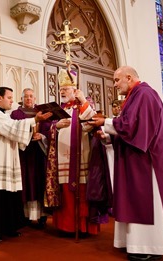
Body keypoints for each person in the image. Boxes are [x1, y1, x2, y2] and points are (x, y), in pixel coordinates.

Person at [89, 66, 163, 261]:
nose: (115, 85)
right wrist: (109, 136)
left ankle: (152, 245)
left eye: (117, 80)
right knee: (136, 200)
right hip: (139, 158)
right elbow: (129, 127)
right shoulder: (135, 96)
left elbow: (134, 127)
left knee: (148, 201)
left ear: (129, 77)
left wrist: (105, 122)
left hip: (148, 162)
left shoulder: (144, 94)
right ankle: (139, 244)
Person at [0, 86, 52, 243]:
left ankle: (7, 228)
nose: (12, 100)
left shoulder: (3, 115)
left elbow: (14, 131)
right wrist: (35, 120)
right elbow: (12, 128)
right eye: (9, 98)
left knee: (7, 198)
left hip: (6, 163)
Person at [45, 68, 99, 236]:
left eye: (66, 89)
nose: (62, 91)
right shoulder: (60, 109)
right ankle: (65, 227)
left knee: (80, 193)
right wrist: (55, 126)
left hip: (80, 155)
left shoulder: (84, 104)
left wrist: (83, 102)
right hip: (61, 158)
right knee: (65, 193)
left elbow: (92, 123)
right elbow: (50, 128)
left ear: (75, 89)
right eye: (61, 89)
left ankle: (82, 227)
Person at [10, 88, 50, 228]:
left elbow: (49, 129)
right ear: (22, 98)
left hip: (39, 152)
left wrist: (43, 136)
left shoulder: (42, 112)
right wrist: (27, 136)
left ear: (34, 98)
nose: (28, 99)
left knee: (39, 182)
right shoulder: (16, 114)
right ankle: (25, 215)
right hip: (24, 153)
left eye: (31, 96)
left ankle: (41, 216)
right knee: (26, 183)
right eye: (26, 96)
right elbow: (13, 131)